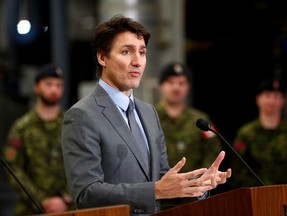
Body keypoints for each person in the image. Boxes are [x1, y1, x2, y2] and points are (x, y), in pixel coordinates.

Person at [61, 14, 232, 215]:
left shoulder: (148, 113)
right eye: (126, 52)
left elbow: (162, 182)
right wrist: (155, 190)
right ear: (102, 57)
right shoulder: (82, 115)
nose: (137, 61)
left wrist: (198, 186)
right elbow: (87, 194)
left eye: (142, 53)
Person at [3, 64, 74, 215]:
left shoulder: (72, 125)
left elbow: (83, 163)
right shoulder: (22, 128)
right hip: (32, 208)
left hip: (68, 208)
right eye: (48, 84)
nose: (54, 90)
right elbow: (13, 169)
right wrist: (41, 199)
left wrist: (67, 198)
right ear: (36, 87)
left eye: (59, 85)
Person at [155, 62, 223, 209]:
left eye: (181, 83)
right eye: (171, 82)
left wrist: (198, 183)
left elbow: (213, 153)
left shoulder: (200, 120)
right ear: (161, 86)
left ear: (188, 87)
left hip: (195, 198)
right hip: (159, 199)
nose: (176, 87)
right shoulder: (148, 118)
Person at [231, 77, 287, 188]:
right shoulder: (246, 133)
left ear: (283, 101)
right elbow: (237, 170)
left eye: (276, 97)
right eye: (267, 95)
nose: (272, 101)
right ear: (258, 99)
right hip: (256, 195)